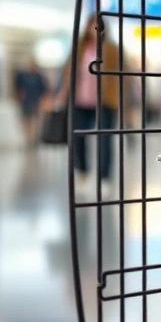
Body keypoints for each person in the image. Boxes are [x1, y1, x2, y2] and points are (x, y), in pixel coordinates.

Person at [55, 14, 123, 194]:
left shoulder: (112, 49)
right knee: (78, 138)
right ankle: (82, 172)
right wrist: (62, 93)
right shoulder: (79, 48)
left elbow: (121, 76)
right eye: (92, 25)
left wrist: (119, 99)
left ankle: (104, 178)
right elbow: (68, 72)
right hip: (80, 101)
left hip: (105, 102)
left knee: (105, 141)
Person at [14, 56, 50, 146]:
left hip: (36, 101)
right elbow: (18, 88)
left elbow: (44, 90)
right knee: (27, 120)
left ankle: (34, 137)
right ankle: (28, 138)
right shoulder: (22, 76)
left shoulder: (39, 77)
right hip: (26, 101)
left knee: (35, 120)